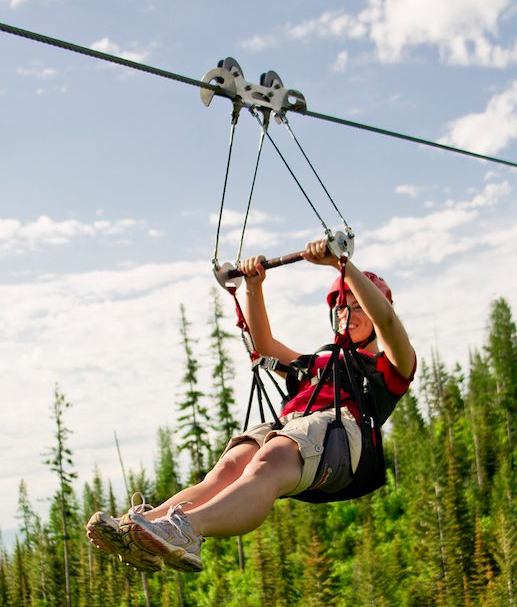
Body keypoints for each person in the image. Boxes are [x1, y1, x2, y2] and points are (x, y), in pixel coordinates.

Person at [86, 236, 417, 572]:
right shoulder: (319, 361)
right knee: (230, 467)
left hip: (339, 438)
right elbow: (265, 345)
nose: (348, 313)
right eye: (342, 306)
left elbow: (388, 321)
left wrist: (341, 267)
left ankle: (189, 529)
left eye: (358, 305)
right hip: (293, 428)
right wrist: (253, 286)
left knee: (270, 459)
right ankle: (139, 528)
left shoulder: (390, 366)